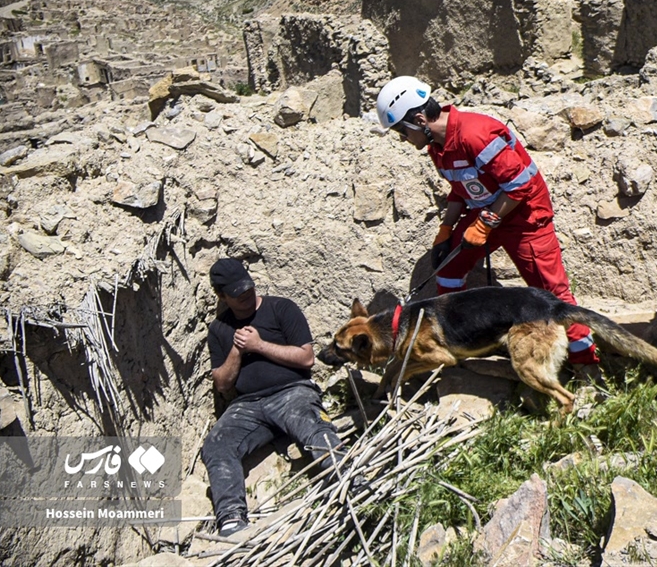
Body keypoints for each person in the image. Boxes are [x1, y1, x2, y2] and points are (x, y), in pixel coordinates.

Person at [375, 76, 598, 368]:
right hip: (489, 212)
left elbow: (520, 186)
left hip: (525, 215)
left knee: (551, 293)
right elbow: (459, 188)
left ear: (419, 120)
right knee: (448, 269)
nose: (405, 140)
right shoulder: (438, 147)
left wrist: (483, 225)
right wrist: (446, 230)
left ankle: (586, 364)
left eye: (403, 132)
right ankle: (461, 340)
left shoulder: (475, 135)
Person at [201, 258, 350, 537]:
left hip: (291, 392)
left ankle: (347, 481)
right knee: (216, 445)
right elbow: (222, 384)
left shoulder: (281, 308)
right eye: (237, 294)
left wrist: (259, 345)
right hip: (247, 405)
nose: (246, 296)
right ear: (221, 296)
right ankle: (232, 519)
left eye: (248, 288)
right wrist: (237, 350)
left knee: (311, 425)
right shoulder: (219, 330)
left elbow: (306, 358)